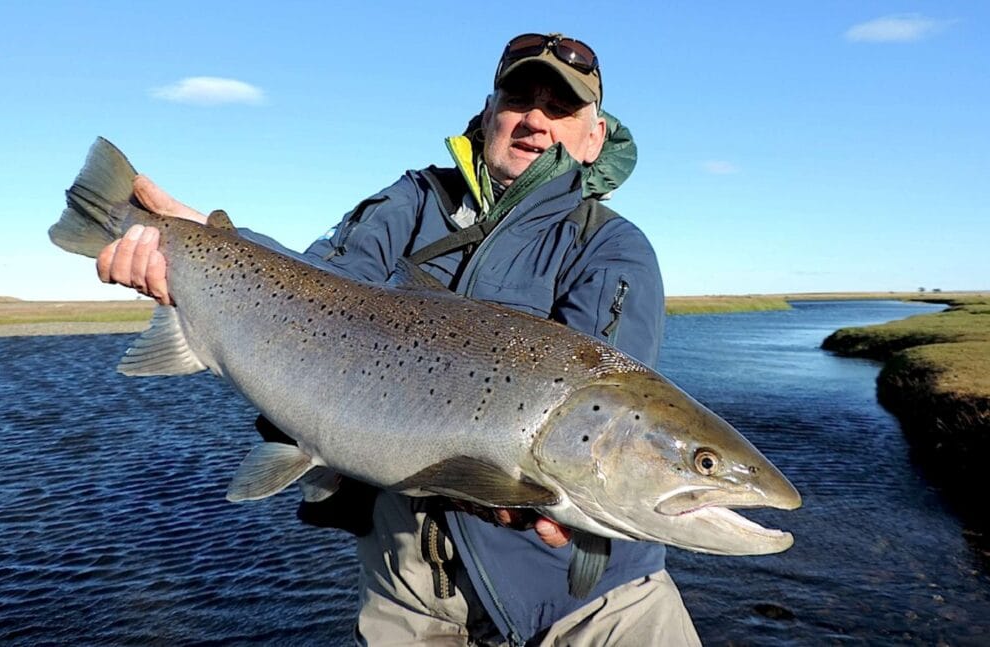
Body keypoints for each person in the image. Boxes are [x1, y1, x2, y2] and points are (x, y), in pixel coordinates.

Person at [97, 33, 701, 646]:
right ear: (490, 113)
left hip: (597, 605)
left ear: (595, 135)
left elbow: (608, 413)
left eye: (562, 107)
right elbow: (319, 286)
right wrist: (208, 241)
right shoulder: (413, 200)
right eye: (520, 98)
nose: (536, 121)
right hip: (412, 593)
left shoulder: (612, 246)